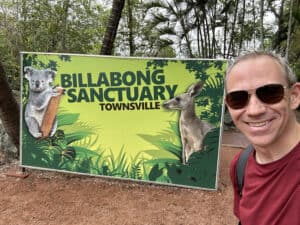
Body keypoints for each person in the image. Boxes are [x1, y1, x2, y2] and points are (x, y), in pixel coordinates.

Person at [225, 51, 300, 225]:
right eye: (238, 98)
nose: (254, 110)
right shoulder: (240, 165)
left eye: (269, 93)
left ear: (294, 96)